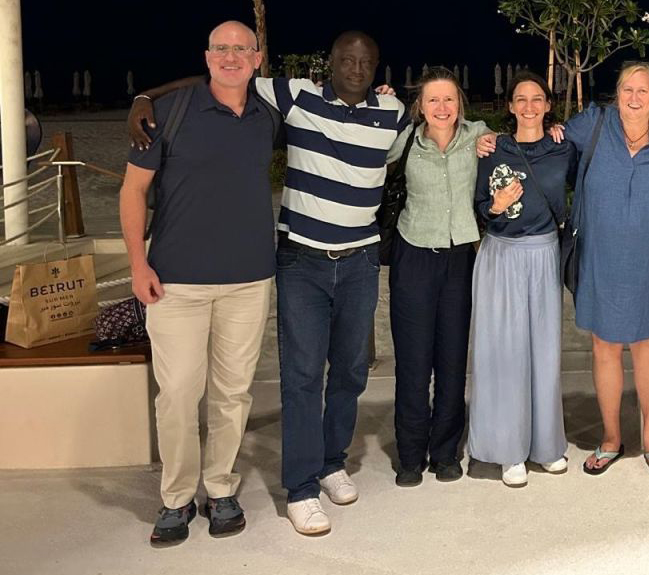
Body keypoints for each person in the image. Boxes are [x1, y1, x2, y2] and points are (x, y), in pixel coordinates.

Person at [127, 32, 470, 535]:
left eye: (365, 61)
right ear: (328, 63)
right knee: (304, 375)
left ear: (378, 68)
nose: (355, 67)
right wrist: (144, 97)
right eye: (346, 59)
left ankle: (332, 463)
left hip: (359, 260)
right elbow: (223, 77)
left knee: (351, 371)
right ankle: (302, 487)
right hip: (301, 262)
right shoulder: (295, 96)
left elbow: (444, 132)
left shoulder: (393, 114)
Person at [121, 21, 275, 546]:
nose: (231, 56)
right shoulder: (169, 113)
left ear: (257, 58)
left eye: (241, 49)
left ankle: (221, 487)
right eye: (221, 49)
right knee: (179, 395)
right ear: (206, 56)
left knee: (233, 393)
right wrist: (138, 265)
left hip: (250, 279)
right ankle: (176, 498)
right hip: (176, 283)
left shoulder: (268, 116)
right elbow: (132, 193)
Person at [564, 61, 649, 477]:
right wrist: (488, 142)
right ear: (617, 93)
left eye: (643, 91)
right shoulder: (593, 124)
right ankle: (611, 437)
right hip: (601, 257)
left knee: (648, 346)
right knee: (605, 347)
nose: (634, 98)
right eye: (627, 89)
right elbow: (542, 137)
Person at [387, 67, 496, 487]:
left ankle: (446, 452)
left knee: (452, 359)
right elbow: (371, 156)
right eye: (433, 100)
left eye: (449, 99)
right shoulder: (406, 141)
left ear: (460, 104)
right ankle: (411, 455)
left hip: (459, 259)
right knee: (414, 361)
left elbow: (508, 145)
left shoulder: (477, 135)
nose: (442, 107)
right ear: (420, 106)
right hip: (413, 253)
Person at [468, 71, 576, 487]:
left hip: (545, 254)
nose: (529, 106)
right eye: (520, 99)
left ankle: (546, 445)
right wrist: (495, 204)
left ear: (548, 105)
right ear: (510, 106)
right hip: (502, 256)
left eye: (537, 99)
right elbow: (480, 208)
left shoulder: (562, 147)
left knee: (545, 352)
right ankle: (508, 449)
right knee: (504, 353)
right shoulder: (493, 149)